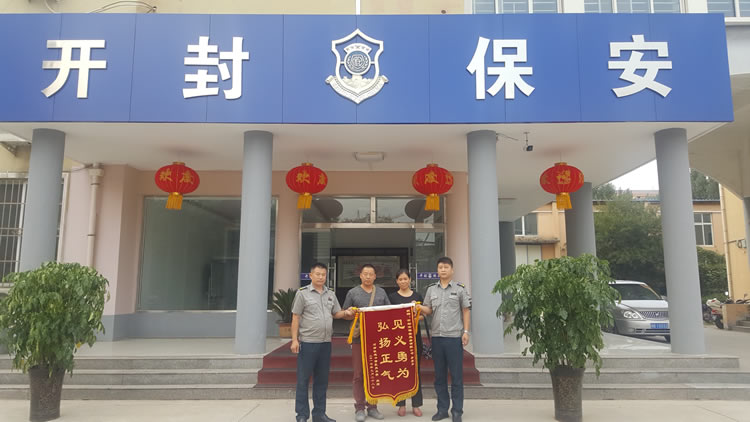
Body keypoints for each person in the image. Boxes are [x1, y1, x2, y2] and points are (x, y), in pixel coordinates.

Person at [292, 262, 355, 422]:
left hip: (326, 343)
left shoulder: (330, 294)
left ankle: (319, 414)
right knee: (303, 380)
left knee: (321, 381)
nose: (321, 277)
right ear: (311, 275)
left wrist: (347, 313)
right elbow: (296, 317)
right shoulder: (302, 293)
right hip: (308, 342)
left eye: (323, 275)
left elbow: (336, 313)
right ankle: (302, 415)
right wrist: (294, 340)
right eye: (318, 274)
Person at [417, 257, 471, 422]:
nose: (443, 270)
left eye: (446, 267)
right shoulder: (431, 289)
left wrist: (466, 331)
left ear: (452, 270)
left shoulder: (460, 289)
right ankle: (442, 410)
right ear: (437, 270)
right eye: (440, 267)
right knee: (439, 377)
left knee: (456, 377)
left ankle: (457, 411)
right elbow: (428, 310)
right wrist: (418, 307)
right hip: (437, 338)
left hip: (453, 338)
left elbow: (466, 310)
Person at [342, 264, 391, 422]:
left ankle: (373, 407)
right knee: (358, 374)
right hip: (359, 339)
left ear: (375, 276)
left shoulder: (381, 292)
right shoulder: (353, 293)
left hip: (377, 339)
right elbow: (345, 314)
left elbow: (390, 313)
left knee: (375, 373)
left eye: (371, 274)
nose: (368, 276)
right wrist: (350, 313)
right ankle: (359, 408)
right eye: (365, 274)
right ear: (360, 275)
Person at [387, 270, 424, 418]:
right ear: (397, 281)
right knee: (399, 371)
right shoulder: (392, 297)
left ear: (410, 280)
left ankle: (416, 404)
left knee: (415, 371)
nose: (403, 281)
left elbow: (423, 316)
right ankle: (401, 404)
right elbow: (388, 317)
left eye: (405, 279)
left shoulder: (417, 296)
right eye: (400, 279)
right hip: (398, 340)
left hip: (414, 337)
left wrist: (414, 315)